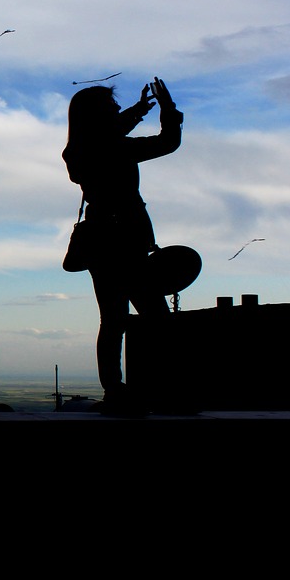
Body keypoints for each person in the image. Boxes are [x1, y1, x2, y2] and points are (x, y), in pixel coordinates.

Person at [62, 77, 182, 416]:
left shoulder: (78, 151)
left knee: (112, 320)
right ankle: (164, 389)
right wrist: (166, 110)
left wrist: (139, 111)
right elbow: (168, 142)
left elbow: (105, 134)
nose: (117, 110)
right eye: (111, 107)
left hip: (102, 243)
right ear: (99, 115)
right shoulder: (113, 147)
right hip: (127, 244)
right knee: (155, 318)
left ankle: (115, 390)